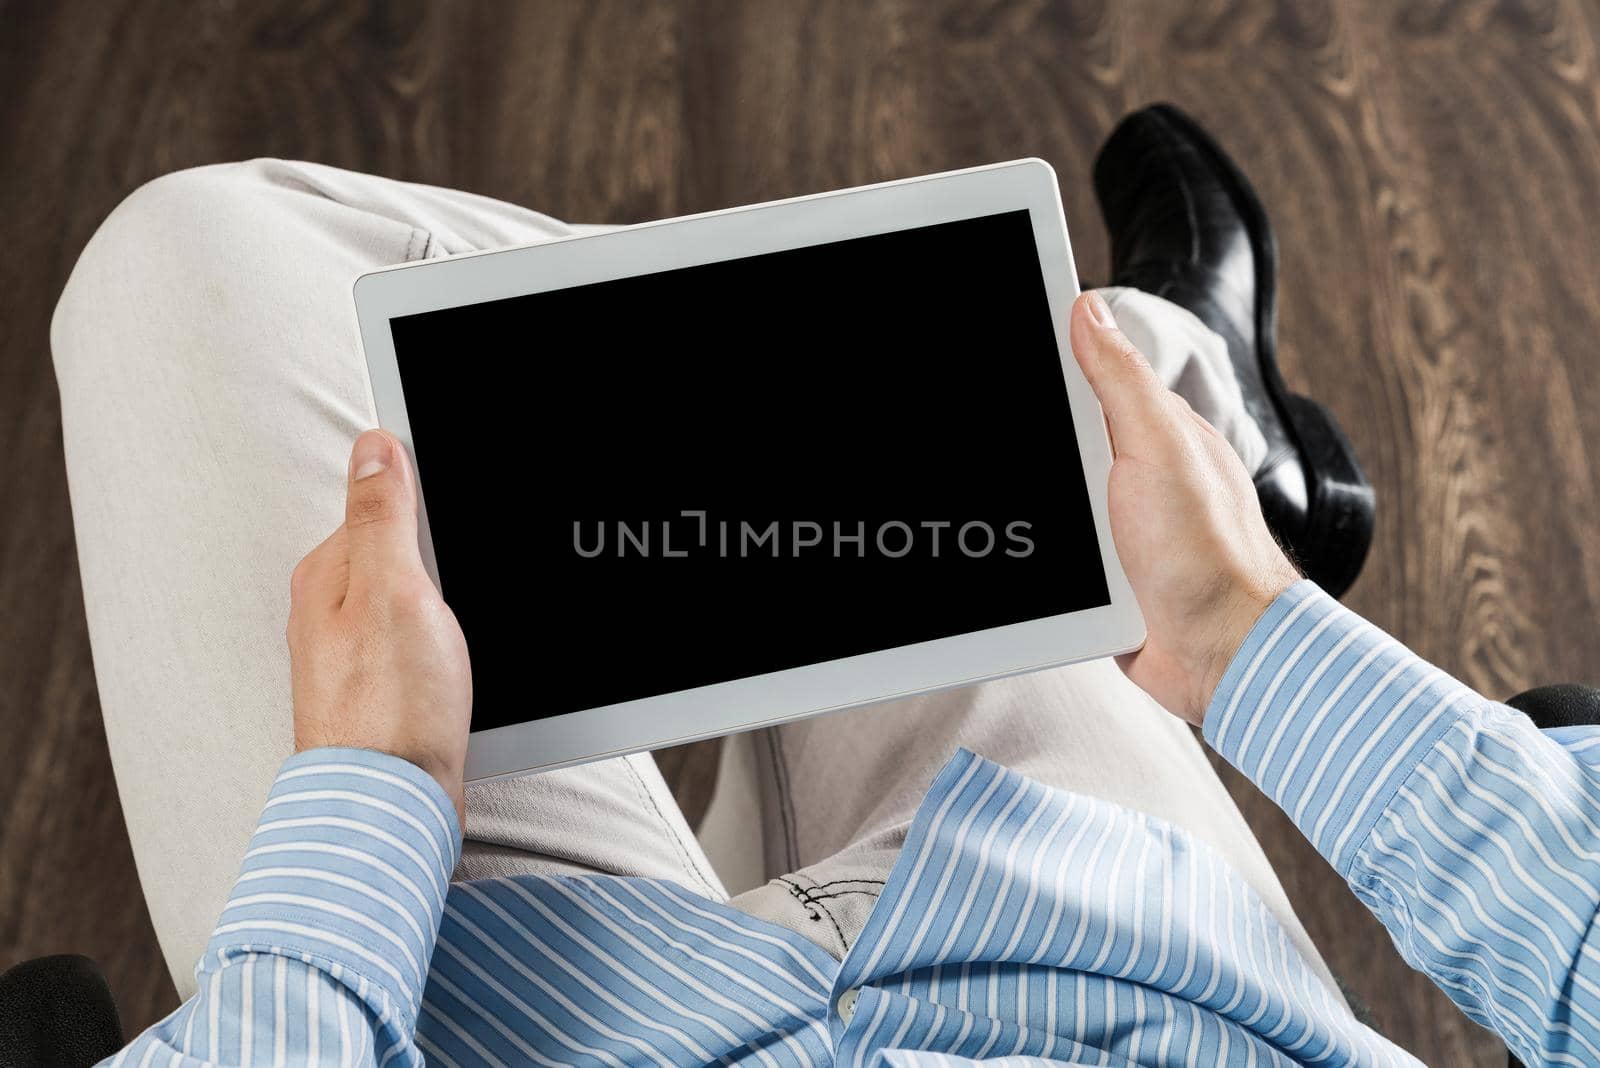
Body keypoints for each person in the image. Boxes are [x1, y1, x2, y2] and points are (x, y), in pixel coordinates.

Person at [52, 107, 1595, 1067]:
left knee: (189, 254)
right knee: (975, 450)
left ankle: (1169, 373)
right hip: (1126, 970)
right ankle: (1178, 396)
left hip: (505, 1019)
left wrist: (366, 804)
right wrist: (1245, 634)